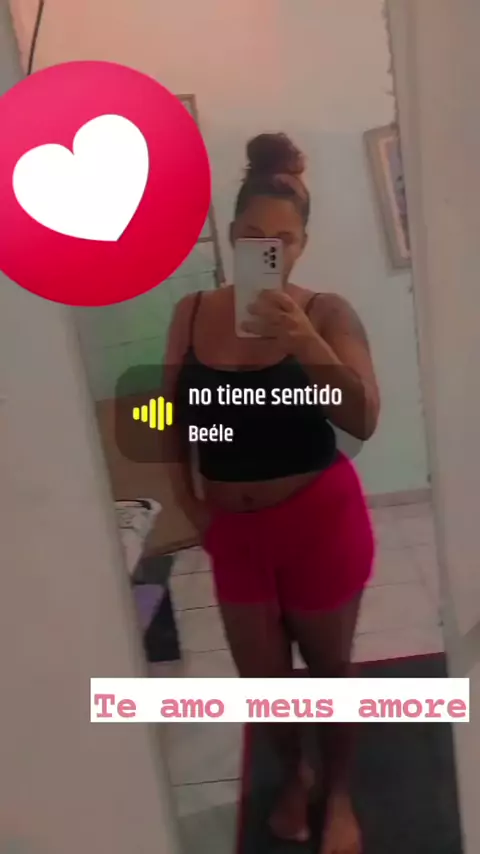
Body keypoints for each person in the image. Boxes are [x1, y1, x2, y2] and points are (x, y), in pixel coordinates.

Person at [164, 132, 380, 854]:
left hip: (319, 522)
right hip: (233, 533)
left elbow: (362, 418)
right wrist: (189, 503)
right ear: (231, 235)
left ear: (302, 246)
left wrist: (304, 340)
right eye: (254, 236)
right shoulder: (192, 311)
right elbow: (171, 417)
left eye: (282, 241)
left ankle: (338, 793)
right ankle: (294, 777)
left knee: (328, 673)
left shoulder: (329, 312)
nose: (268, 250)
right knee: (264, 683)